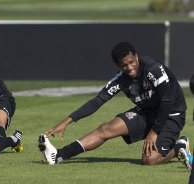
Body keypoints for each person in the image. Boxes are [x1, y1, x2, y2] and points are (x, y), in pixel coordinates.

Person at [38, 42, 192, 170]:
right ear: (118, 65)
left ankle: (179, 147)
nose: (130, 68)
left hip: (172, 114)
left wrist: (154, 132)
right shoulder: (120, 80)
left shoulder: (153, 69)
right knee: (105, 129)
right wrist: (67, 121)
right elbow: (96, 101)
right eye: (124, 65)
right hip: (147, 112)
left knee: (149, 160)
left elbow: (167, 100)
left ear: (136, 56)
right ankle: (59, 155)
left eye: (132, 62)